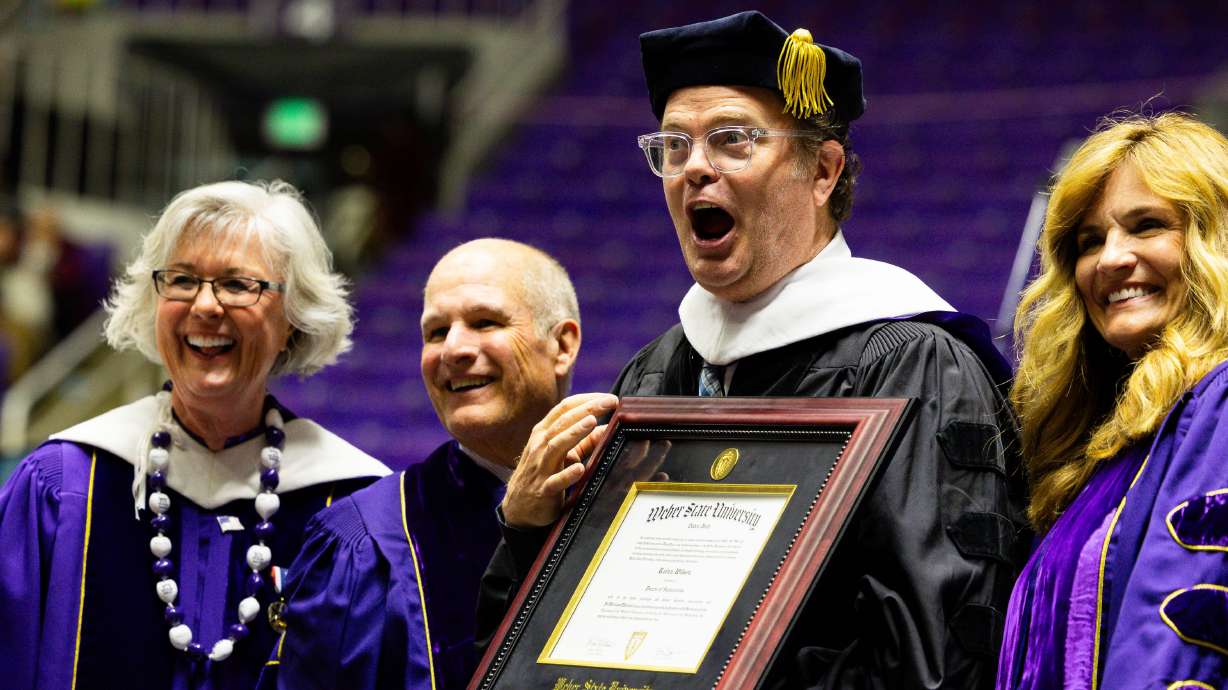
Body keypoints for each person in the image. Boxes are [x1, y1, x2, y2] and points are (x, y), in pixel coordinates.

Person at [479, 11, 1028, 689]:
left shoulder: (912, 366)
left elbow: (933, 658)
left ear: (822, 171)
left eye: (732, 140)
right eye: (674, 146)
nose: (695, 168)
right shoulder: (657, 373)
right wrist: (526, 528)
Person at [0, 180, 391, 690]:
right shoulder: (63, 484)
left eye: (237, 284)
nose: (206, 306)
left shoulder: (352, 505)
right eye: (182, 280)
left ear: (292, 317)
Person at [259, 238, 584, 690]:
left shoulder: (632, 497)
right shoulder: (361, 541)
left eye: (484, 322)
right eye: (435, 332)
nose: (452, 350)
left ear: (562, 345)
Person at [998, 113, 1228, 689]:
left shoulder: (1219, 404)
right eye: (1090, 241)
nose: (1110, 259)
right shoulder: (1107, 446)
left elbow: (1183, 643)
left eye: (1147, 225)